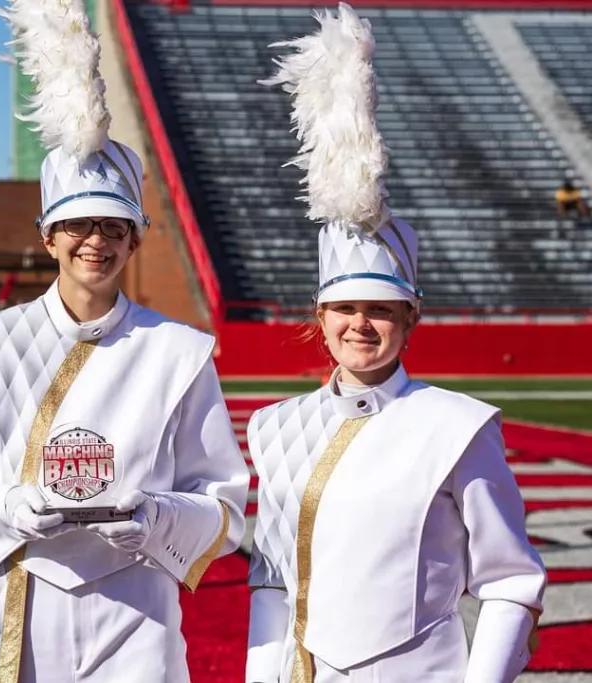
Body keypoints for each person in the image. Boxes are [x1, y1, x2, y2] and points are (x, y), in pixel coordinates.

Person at [0, 2, 248, 681]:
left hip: (137, 610)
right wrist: (9, 507)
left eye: (113, 226)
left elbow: (224, 505)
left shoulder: (179, 352)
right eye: (78, 225)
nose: (95, 241)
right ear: (47, 236)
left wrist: (155, 518)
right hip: (14, 601)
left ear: (135, 239)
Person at [245, 7, 546, 682]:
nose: (360, 324)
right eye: (344, 308)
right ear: (320, 316)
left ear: (410, 319)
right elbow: (271, 581)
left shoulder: (458, 427)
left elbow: (511, 581)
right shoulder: (274, 427)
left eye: (380, 310)